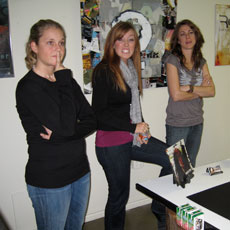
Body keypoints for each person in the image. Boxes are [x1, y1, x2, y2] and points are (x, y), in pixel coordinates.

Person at [15, 19, 96, 230]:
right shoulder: (27, 87)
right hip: (49, 179)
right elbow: (70, 125)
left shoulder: (66, 81)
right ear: (34, 46)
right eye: (50, 42)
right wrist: (62, 76)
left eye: (61, 42)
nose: (58, 48)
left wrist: (60, 136)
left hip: (80, 171)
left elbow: (91, 119)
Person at [91, 21, 172, 230]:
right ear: (112, 42)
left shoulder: (130, 69)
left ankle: (158, 207)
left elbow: (132, 107)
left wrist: (141, 129)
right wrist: (132, 127)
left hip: (133, 138)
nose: (126, 44)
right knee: (119, 197)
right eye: (120, 39)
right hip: (111, 144)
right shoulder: (104, 70)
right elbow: (98, 115)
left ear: (136, 44)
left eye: (131, 39)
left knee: (173, 158)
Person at [165, 19, 215, 167]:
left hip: (197, 121)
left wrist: (190, 88)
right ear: (178, 40)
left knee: (189, 165)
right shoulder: (172, 60)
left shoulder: (201, 62)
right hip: (178, 123)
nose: (187, 37)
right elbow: (176, 95)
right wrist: (200, 91)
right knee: (175, 168)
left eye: (190, 33)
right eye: (182, 34)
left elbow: (211, 91)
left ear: (196, 36)